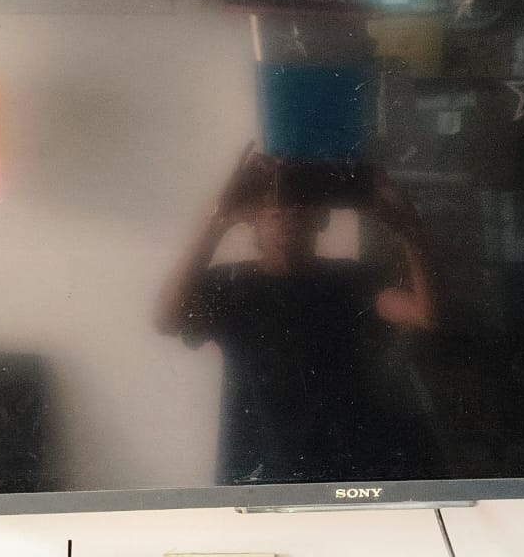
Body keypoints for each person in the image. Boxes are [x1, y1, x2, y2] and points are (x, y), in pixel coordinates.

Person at [157, 149, 441, 485]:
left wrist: (407, 228)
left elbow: (424, 313)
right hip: (258, 477)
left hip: (348, 475)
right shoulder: (229, 283)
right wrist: (220, 217)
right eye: (273, 203)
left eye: (300, 201)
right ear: (253, 217)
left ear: (321, 216)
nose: (286, 214)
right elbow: (167, 320)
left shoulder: (350, 279)